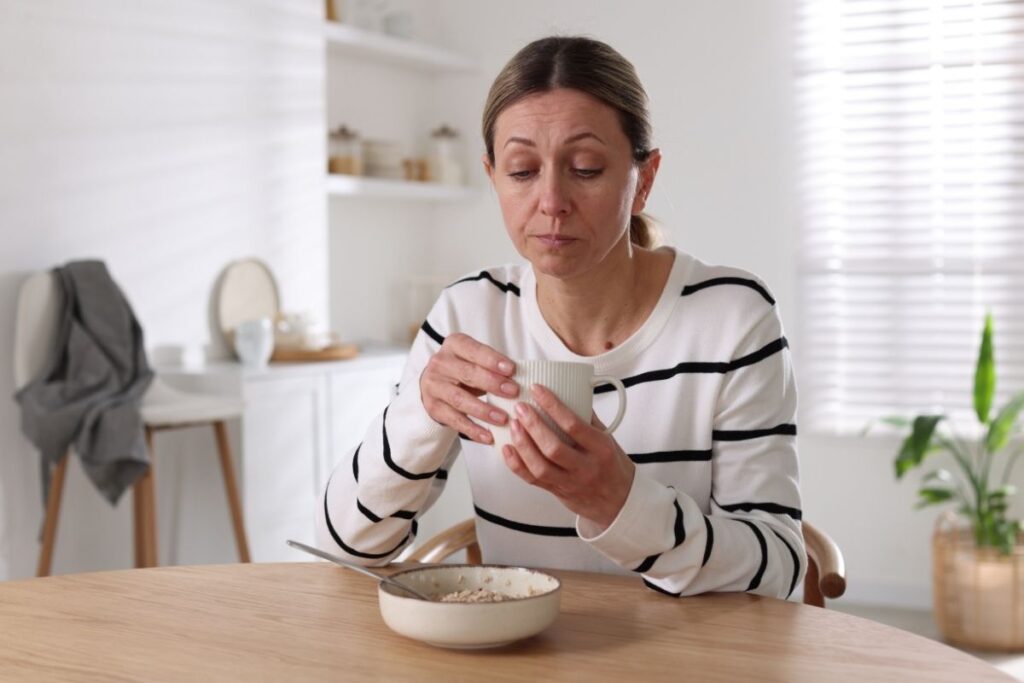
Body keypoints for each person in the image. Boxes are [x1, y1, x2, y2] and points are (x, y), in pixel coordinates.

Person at [316, 36, 804, 599]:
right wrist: (419, 418)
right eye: (522, 171)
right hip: (514, 652)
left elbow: (779, 570)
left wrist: (622, 504)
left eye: (586, 168)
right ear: (493, 176)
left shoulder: (732, 319)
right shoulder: (467, 316)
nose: (551, 200)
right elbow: (341, 547)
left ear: (643, 179)